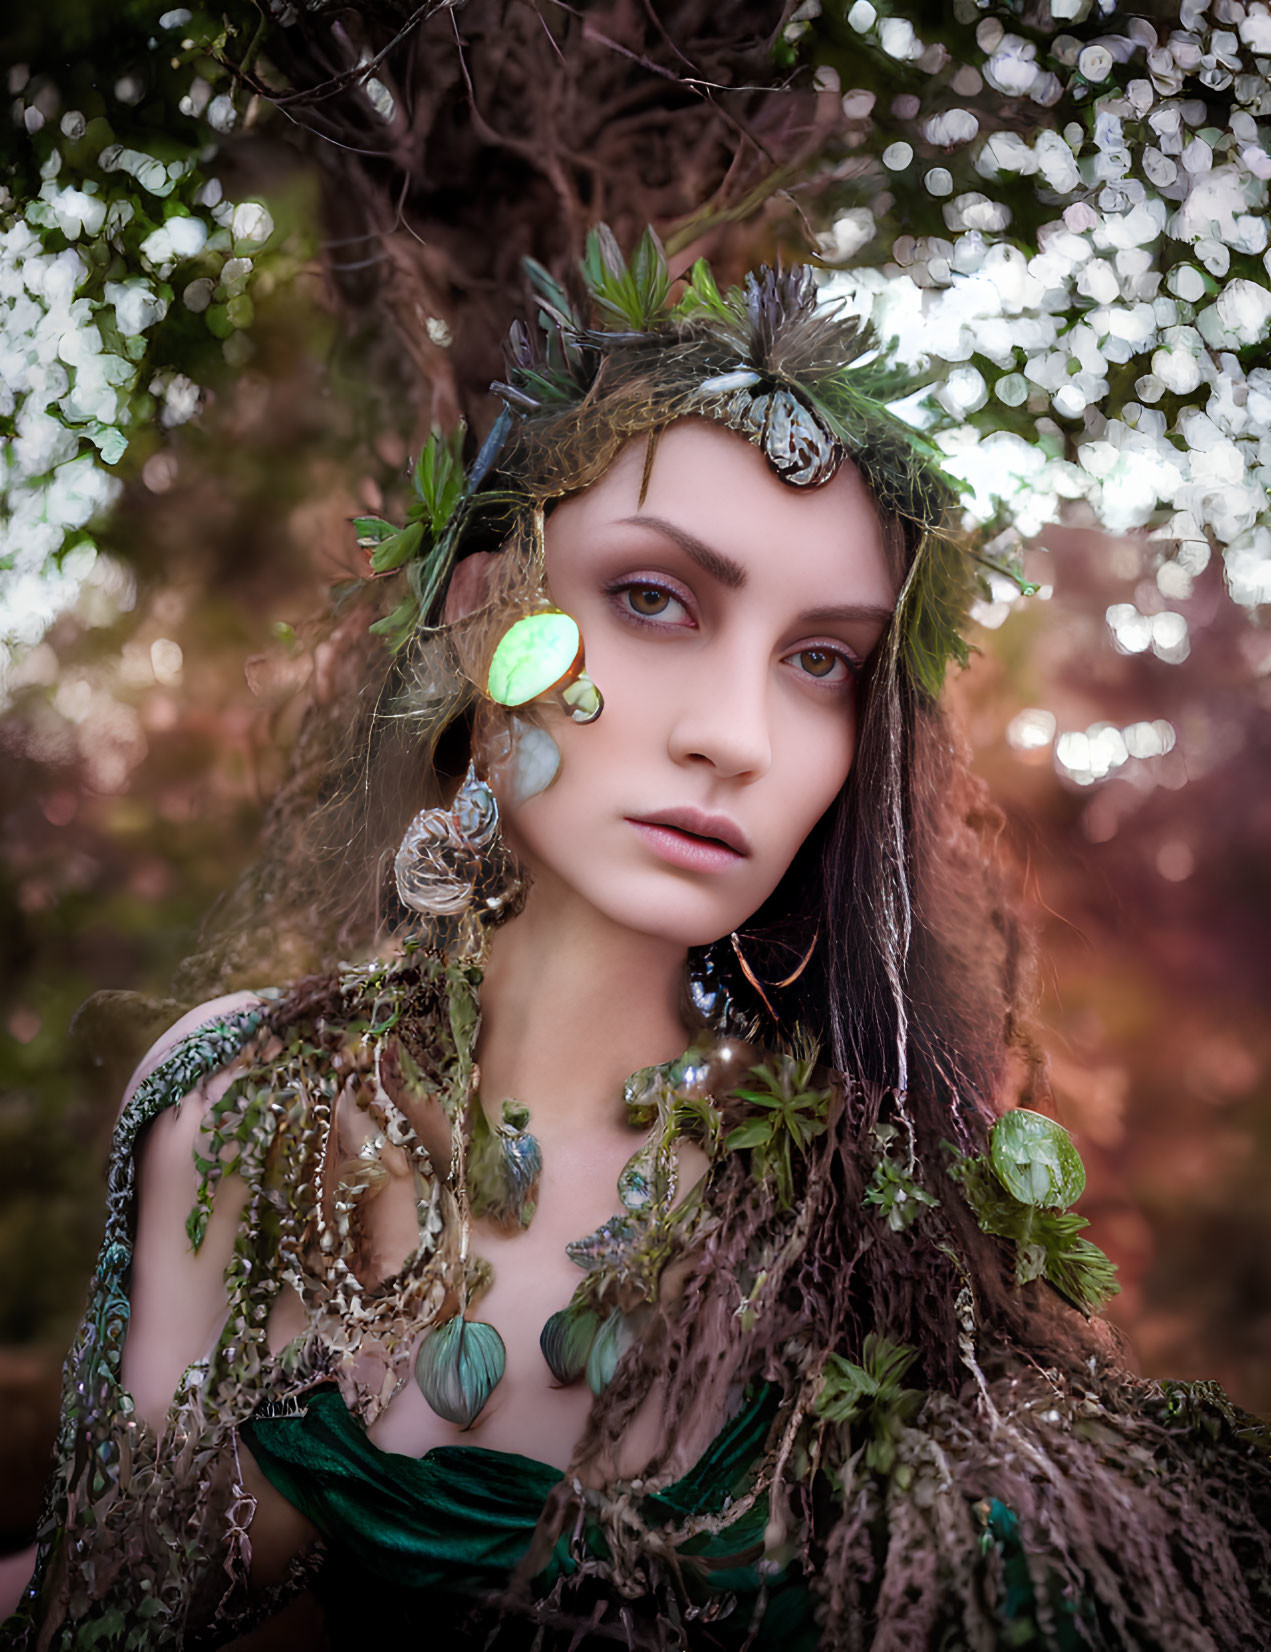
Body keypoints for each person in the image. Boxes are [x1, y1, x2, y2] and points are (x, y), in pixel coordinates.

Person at [3, 231, 1269, 1652]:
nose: (734, 735)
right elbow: (103, 1604)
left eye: (820, 662)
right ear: (489, 618)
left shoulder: (866, 1201)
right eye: (655, 600)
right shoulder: (250, 1107)